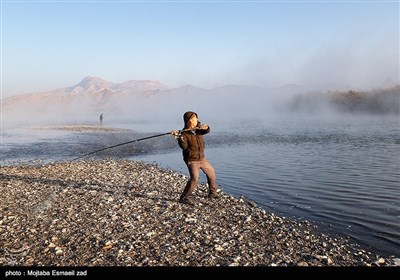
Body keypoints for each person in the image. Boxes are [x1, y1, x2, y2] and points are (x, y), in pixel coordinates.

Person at [171, 111, 218, 205]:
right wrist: (178, 137)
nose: (196, 120)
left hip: (202, 159)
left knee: (212, 174)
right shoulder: (184, 134)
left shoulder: (198, 130)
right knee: (194, 179)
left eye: (196, 118)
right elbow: (184, 147)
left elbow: (206, 130)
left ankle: (212, 193)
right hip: (192, 160)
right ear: (188, 121)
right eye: (193, 119)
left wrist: (206, 127)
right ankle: (184, 197)